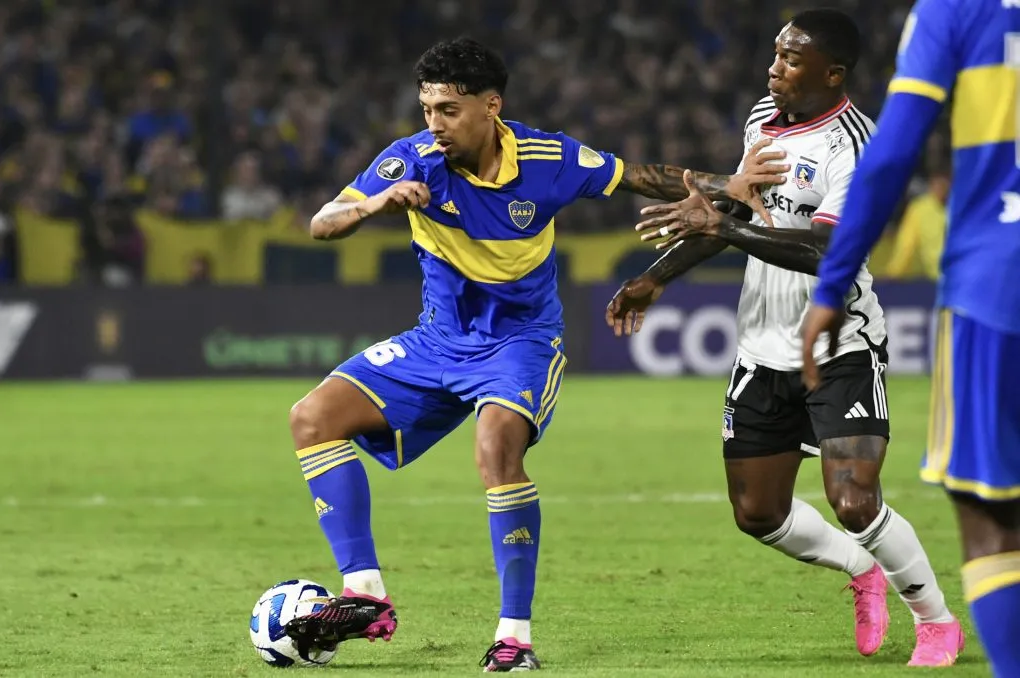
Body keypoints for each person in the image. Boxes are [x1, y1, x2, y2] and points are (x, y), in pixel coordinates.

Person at [283, 37, 783, 672]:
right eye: (427, 109)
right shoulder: (410, 160)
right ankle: (365, 595)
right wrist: (377, 203)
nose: (434, 124)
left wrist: (726, 183)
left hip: (520, 343)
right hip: (436, 339)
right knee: (311, 418)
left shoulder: (549, 158)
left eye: (450, 110)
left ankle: (513, 637)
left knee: (496, 450)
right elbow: (323, 221)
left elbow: (637, 175)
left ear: (491, 106)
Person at [605, 9, 963, 666]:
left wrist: (727, 228)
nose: (775, 68)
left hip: (839, 344)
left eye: (792, 59)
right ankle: (862, 571)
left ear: (833, 73)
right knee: (757, 513)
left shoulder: (855, 145)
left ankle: (936, 620)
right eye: (775, 54)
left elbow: (831, 250)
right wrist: (656, 279)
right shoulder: (759, 122)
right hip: (761, 348)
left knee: (853, 497)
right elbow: (734, 212)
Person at [800, 0, 1020, 675]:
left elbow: (894, 150)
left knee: (992, 518)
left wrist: (834, 285)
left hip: (998, 282)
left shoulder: (956, 8)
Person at [882, 171, 950, 279]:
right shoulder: (919, 209)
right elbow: (906, 244)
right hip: (937, 276)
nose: (941, 189)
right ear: (931, 185)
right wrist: (893, 273)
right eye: (937, 184)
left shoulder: (960, 206)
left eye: (944, 185)